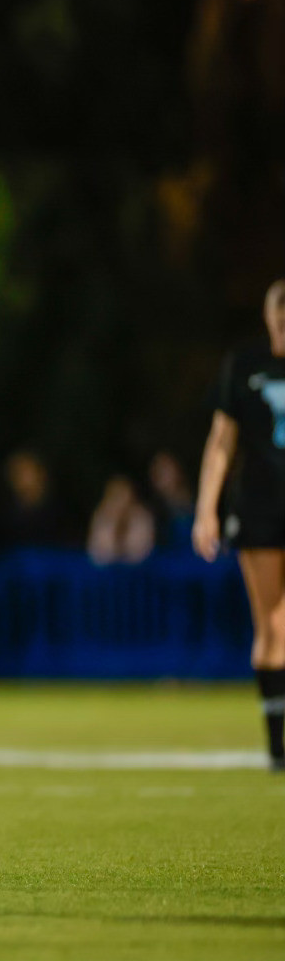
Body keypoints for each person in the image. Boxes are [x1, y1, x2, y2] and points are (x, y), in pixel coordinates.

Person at [193, 278, 285, 772]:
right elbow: (222, 441)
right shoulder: (245, 365)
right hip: (260, 507)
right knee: (272, 624)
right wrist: (206, 508)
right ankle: (277, 746)